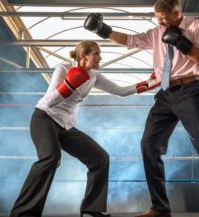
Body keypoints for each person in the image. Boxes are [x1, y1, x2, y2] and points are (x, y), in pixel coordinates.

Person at [84, 0, 199, 217]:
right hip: (164, 94)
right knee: (149, 145)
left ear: (177, 14)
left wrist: (182, 42)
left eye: (165, 19)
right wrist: (103, 30)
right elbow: (129, 40)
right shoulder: (157, 32)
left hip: (188, 91)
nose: (161, 24)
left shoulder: (197, 26)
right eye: (158, 19)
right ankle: (160, 208)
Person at [10, 41, 160, 217]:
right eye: (96, 53)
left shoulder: (94, 76)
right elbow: (49, 101)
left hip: (66, 126)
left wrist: (149, 83)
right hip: (44, 118)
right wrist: (69, 84)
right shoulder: (64, 68)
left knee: (100, 158)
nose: (100, 57)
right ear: (83, 56)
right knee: (50, 158)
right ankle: (23, 213)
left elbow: (120, 91)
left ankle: (91, 208)